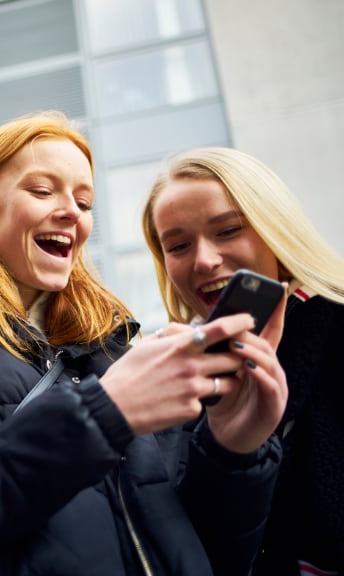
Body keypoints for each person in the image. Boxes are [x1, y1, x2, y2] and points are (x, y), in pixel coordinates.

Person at [0, 112, 287, 576]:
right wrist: (102, 415)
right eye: (42, 191)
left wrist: (234, 451)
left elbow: (209, 554)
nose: (72, 212)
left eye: (84, 201)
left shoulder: (124, 357)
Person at [142, 146, 344, 575]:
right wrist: (231, 449)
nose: (204, 260)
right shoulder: (182, 377)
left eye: (228, 230)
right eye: (177, 245)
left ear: (277, 228)